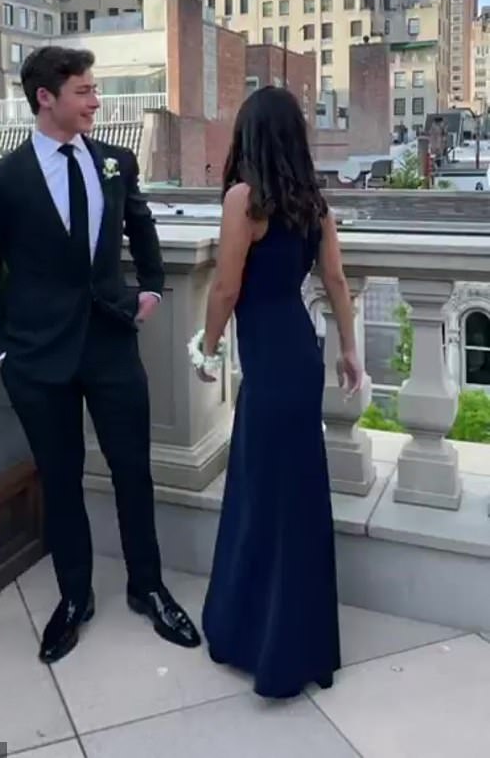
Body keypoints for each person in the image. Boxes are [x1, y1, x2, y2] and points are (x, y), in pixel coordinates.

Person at [0, 46, 200, 663]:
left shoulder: (116, 163)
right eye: (85, 92)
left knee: (132, 472)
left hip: (112, 344)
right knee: (61, 482)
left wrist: (150, 287)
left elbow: (141, 227)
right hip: (37, 359)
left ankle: (148, 588)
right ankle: (74, 598)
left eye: (95, 91)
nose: (96, 101)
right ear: (47, 98)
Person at [192, 85, 362, 699]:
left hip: (267, 360)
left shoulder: (244, 200)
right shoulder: (313, 205)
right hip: (301, 350)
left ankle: (255, 636)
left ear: (249, 136)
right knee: (297, 494)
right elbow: (336, 280)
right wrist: (349, 349)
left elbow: (226, 290)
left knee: (262, 492)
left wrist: (206, 346)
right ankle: (301, 642)